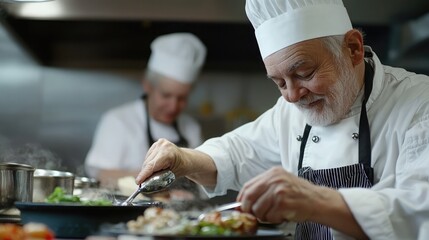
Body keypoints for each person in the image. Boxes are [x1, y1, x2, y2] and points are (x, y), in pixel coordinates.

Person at [135, 0, 429, 239]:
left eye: (304, 74)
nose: (291, 96)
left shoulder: (419, 104)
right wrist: (183, 159)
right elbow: (237, 154)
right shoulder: (289, 113)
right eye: (279, 82)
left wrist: (313, 201)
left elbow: (418, 211)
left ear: (351, 49)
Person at [85, 33, 206, 194]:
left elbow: (202, 180)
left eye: (182, 98)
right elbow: (103, 175)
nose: (173, 106)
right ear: (147, 85)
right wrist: (164, 187)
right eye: (166, 95)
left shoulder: (190, 128)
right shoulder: (118, 121)